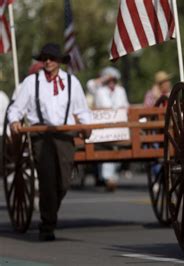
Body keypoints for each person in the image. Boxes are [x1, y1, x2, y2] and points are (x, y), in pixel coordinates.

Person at [8, 43, 91, 241]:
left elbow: (82, 111)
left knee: (63, 182)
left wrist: (87, 127)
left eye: (52, 58)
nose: (47, 61)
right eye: (44, 58)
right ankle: (47, 225)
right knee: (47, 180)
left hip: (64, 135)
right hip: (40, 135)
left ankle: (49, 213)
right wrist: (14, 122)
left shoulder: (72, 82)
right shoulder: (31, 82)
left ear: (60, 62)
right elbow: (16, 109)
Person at [87, 67, 129, 191]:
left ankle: (110, 177)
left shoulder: (121, 90)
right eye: (109, 79)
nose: (111, 82)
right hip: (102, 128)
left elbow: (126, 105)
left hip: (119, 126)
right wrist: (104, 77)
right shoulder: (99, 90)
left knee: (117, 150)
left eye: (113, 79)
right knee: (107, 149)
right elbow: (89, 85)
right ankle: (108, 178)